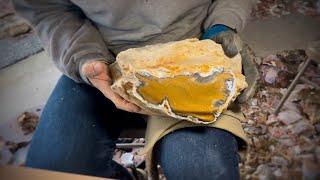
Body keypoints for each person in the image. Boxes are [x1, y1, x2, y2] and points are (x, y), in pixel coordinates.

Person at [12, 0, 258, 179]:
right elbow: (47, 8)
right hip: (104, 57)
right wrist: (84, 57)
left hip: (196, 53)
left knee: (203, 171)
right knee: (52, 170)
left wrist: (224, 23)